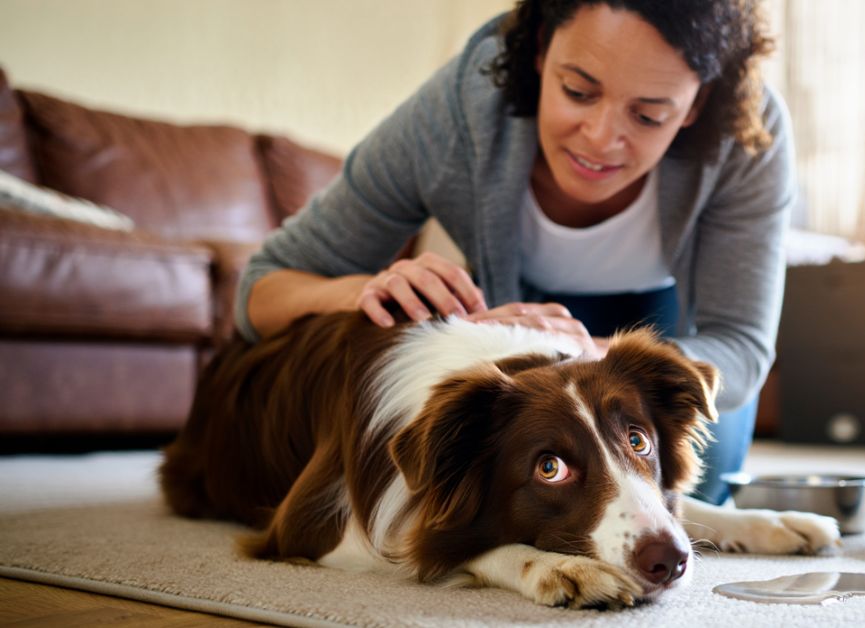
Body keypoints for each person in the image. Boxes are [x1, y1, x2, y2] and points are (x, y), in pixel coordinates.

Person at [235, 0, 795, 505]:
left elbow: (740, 347)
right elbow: (259, 289)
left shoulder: (747, 137)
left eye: (648, 115)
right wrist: (363, 291)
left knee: (699, 486)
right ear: (539, 52)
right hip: (507, 329)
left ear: (696, 105)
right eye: (578, 90)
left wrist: (585, 353)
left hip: (664, 336)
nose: (600, 138)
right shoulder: (455, 115)